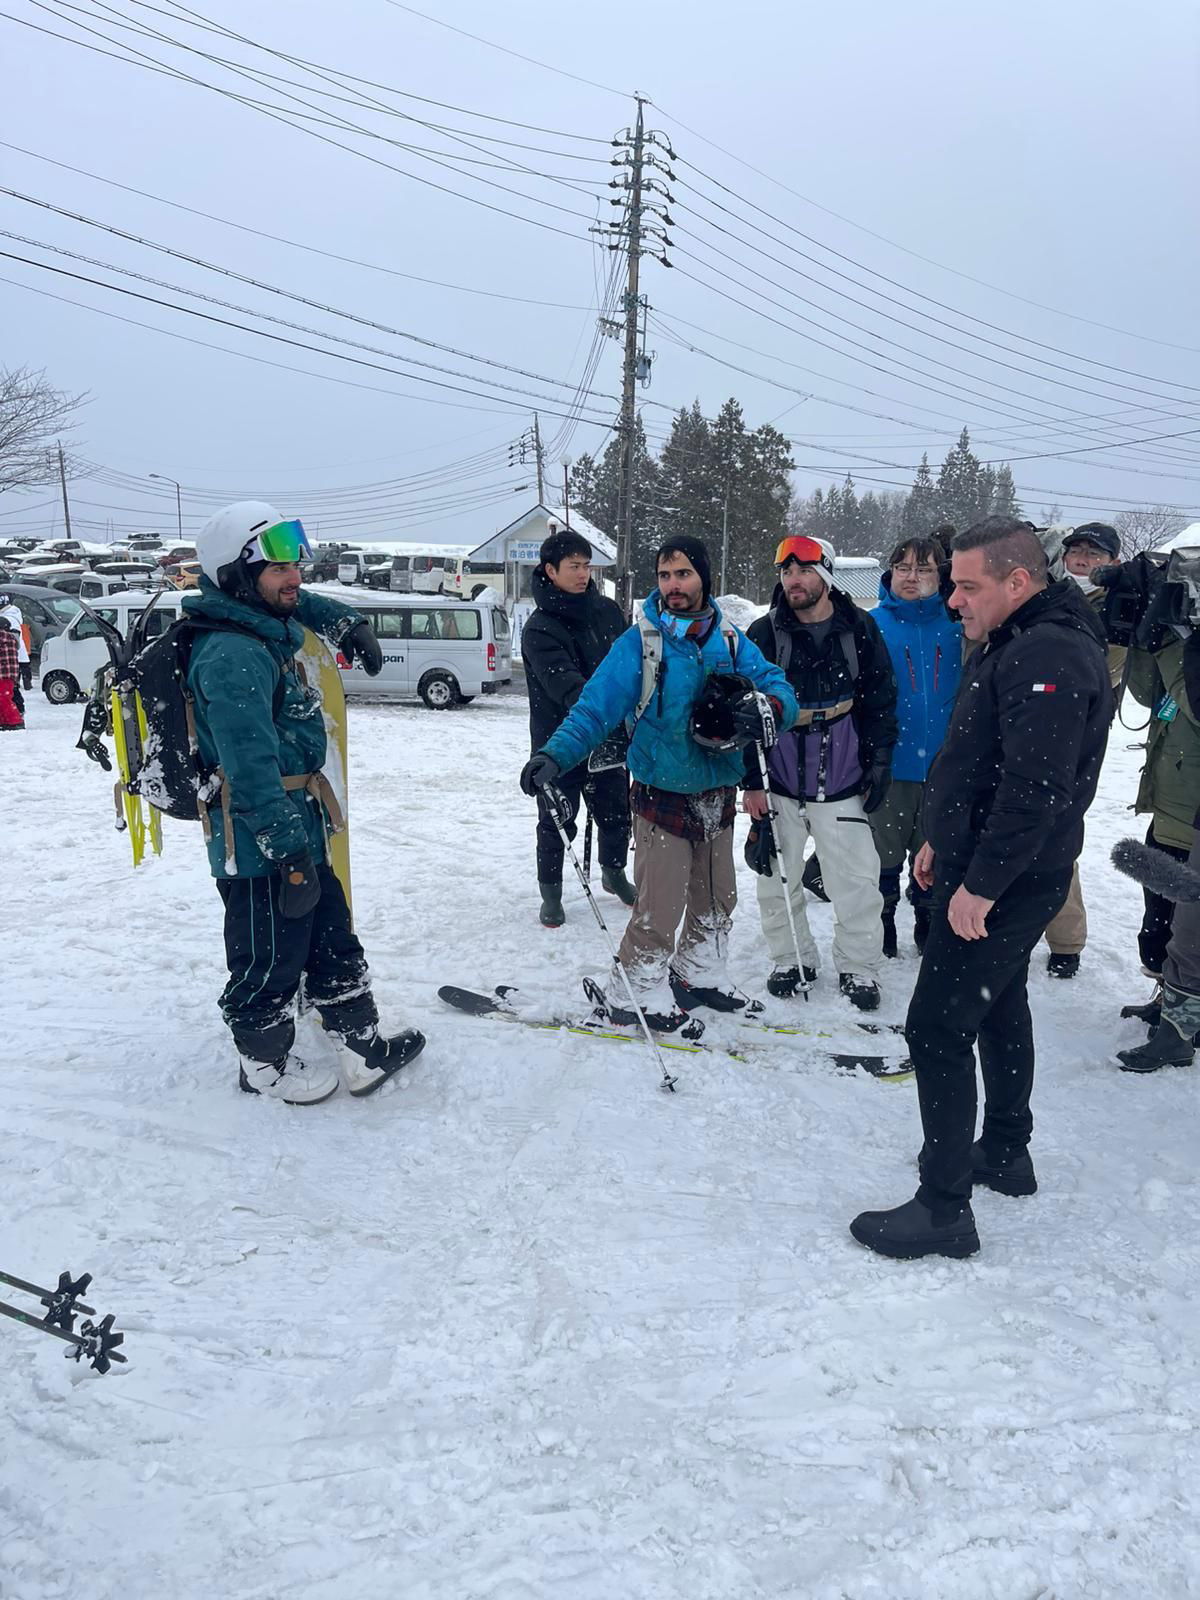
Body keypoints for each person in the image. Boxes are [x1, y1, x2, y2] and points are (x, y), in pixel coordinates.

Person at [851, 517, 1111, 1260]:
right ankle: (1003, 1151)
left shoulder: (1049, 650)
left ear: (1018, 581)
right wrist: (943, 836)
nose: (954, 599)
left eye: (967, 585)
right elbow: (987, 759)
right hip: (991, 863)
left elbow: (1035, 788)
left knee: (935, 1027)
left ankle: (943, 1209)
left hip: (1011, 876)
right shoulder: (1020, 635)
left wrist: (983, 884)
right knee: (1000, 1003)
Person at [187, 501, 425, 1104]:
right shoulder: (231, 654)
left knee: (329, 937)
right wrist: (286, 848)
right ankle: (262, 1063)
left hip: (297, 823)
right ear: (239, 577)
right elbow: (248, 768)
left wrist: (345, 623)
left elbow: (293, 604)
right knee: (269, 955)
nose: (294, 576)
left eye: (296, 559)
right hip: (262, 831)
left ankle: (361, 1044)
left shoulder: (259, 623)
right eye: (277, 566)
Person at [520, 536, 798, 1029]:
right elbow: (593, 708)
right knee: (659, 907)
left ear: (703, 578)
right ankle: (634, 991)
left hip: (717, 790)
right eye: (665, 576)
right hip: (660, 793)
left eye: (683, 574)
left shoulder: (730, 640)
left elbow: (777, 684)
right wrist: (553, 756)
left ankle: (699, 973)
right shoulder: (641, 642)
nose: (673, 585)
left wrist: (770, 706)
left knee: (717, 898)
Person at [742, 536, 898, 1012]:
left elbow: (881, 701)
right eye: (787, 571)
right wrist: (749, 781)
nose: (794, 580)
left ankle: (858, 966)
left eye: (805, 570)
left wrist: (879, 761)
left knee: (855, 880)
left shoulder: (860, 629)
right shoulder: (763, 633)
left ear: (826, 575)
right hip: (780, 777)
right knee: (776, 876)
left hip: (843, 774)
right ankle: (791, 959)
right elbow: (742, 707)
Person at [519, 529, 635, 927]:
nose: (583, 573)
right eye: (574, 566)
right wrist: (602, 708)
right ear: (550, 571)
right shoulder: (539, 627)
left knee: (617, 813)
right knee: (556, 820)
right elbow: (565, 686)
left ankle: (614, 872)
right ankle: (551, 893)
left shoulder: (607, 611)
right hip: (561, 741)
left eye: (587, 565)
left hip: (610, 737)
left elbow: (629, 664)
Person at [1040, 522, 1127, 978]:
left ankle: (1066, 939)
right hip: (1029, 721)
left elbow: (1106, 663)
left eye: (1095, 553)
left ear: (1112, 561)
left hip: (1077, 734)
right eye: (1076, 550)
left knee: (1058, 830)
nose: (1083, 559)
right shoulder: (1045, 590)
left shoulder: (1120, 605)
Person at [869, 535, 961, 958]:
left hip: (946, 768)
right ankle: (883, 918)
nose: (912, 577)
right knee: (882, 856)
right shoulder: (873, 625)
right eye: (903, 567)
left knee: (935, 856)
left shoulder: (959, 624)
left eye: (924, 569)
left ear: (940, 575)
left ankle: (928, 918)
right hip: (889, 766)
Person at [0, 607, 23, 730]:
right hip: (8, 673)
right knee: (3, 698)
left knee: (4, 698)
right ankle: (4, 721)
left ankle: (15, 721)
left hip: (5, 673)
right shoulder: (11, 638)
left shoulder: (5, 637)